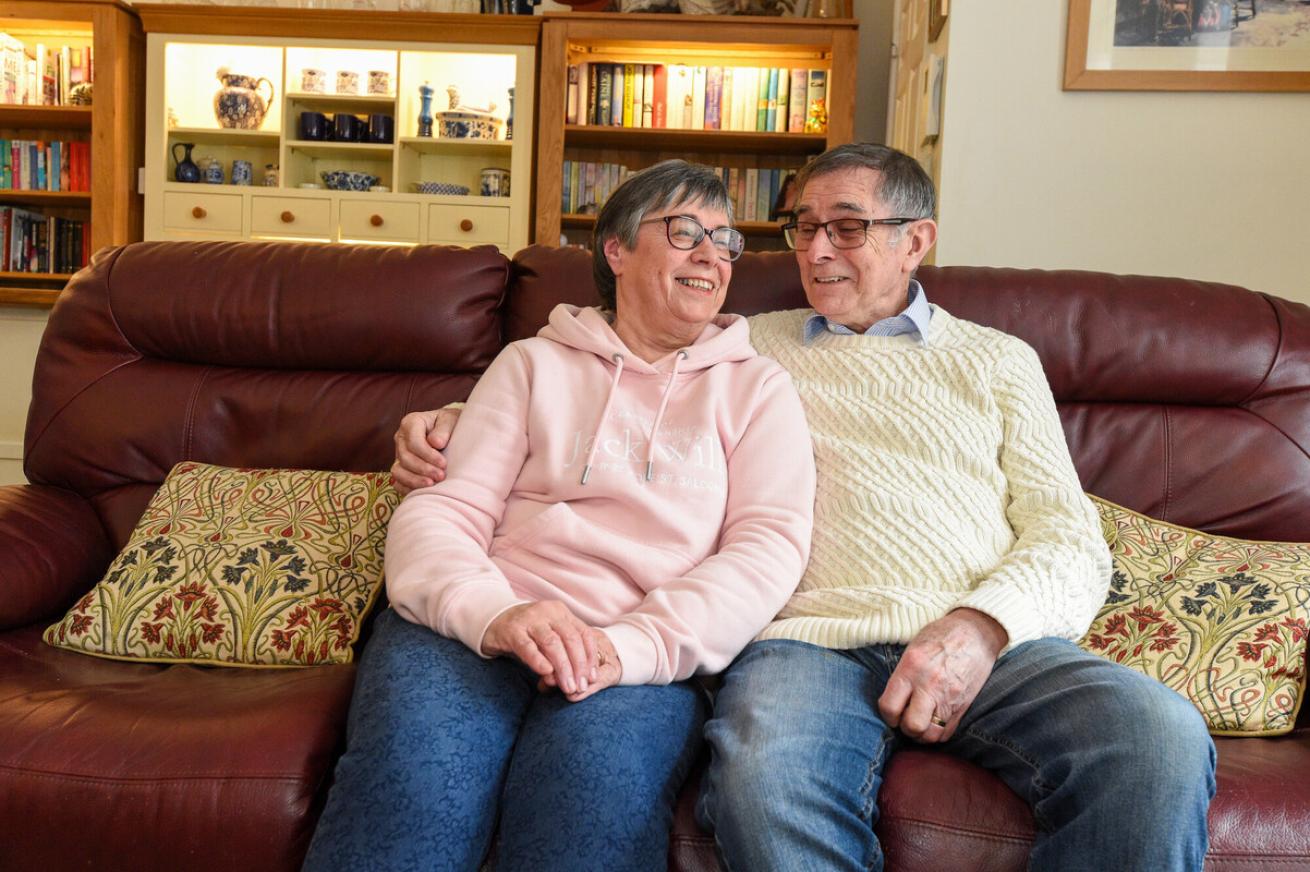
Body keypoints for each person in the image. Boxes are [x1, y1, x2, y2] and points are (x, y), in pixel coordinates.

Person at [390, 144, 1217, 872]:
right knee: (765, 783)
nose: (816, 252)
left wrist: (979, 627)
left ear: (916, 239)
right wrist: (462, 422)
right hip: (804, 643)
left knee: (1156, 741)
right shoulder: (745, 342)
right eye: (801, 227)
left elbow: (1071, 541)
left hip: (984, 635)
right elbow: (626, 369)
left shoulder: (999, 362)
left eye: (847, 227)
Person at [302, 159, 815, 872]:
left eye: (725, 240)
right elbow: (443, 510)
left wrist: (631, 647)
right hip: (477, 626)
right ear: (617, 248)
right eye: (686, 231)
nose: (711, 254)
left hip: (636, 649)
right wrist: (496, 613)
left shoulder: (757, 388)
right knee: (416, 786)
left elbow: (767, 549)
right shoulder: (531, 365)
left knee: (588, 800)